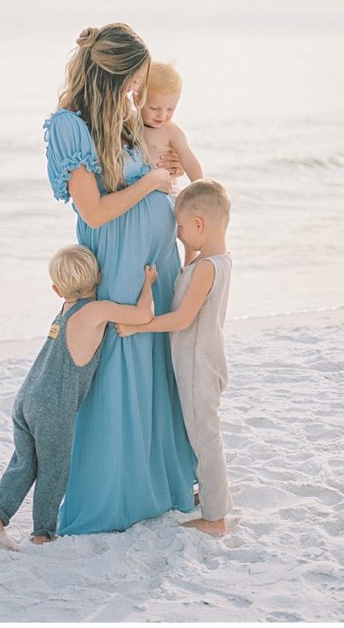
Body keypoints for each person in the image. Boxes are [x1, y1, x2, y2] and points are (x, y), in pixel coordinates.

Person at [43, 23, 196, 535]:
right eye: (132, 80)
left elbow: (164, 162)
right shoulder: (71, 124)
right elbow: (95, 209)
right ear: (110, 75)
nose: (138, 91)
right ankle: (114, 494)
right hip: (116, 258)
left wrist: (165, 167)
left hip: (156, 255)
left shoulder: (126, 119)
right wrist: (153, 180)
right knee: (117, 368)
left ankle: (160, 485)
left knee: (157, 364)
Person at [0, 245, 157, 549]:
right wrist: (149, 283)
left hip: (27, 397)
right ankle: (43, 533)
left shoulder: (64, 309)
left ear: (57, 289)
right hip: (52, 407)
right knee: (54, 469)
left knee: (24, 464)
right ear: (100, 276)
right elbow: (142, 315)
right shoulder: (96, 311)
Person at [116, 179, 232, 537]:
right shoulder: (218, 260)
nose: (178, 235)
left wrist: (139, 327)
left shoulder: (206, 270)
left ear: (199, 225)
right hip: (206, 360)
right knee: (201, 433)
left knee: (206, 439)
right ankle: (211, 495)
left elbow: (183, 319)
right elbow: (191, 268)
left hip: (197, 367)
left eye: (180, 227)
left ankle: (215, 519)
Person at [134, 61, 204, 185]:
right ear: (137, 100)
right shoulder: (127, 123)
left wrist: (200, 186)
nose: (162, 115)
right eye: (154, 108)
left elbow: (189, 161)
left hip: (164, 191)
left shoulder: (171, 131)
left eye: (170, 109)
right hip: (132, 192)